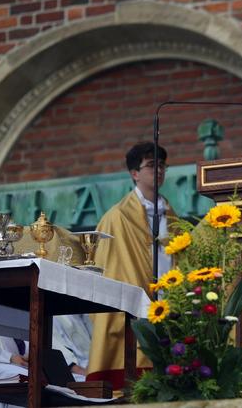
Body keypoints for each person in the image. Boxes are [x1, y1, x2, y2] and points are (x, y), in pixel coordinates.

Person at [87, 142, 177, 389]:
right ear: (134, 173)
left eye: (161, 165)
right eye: (151, 165)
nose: (158, 170)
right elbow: (106, 268)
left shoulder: (172, 216)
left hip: (168, 309)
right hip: (133, 316)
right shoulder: (117, 217)